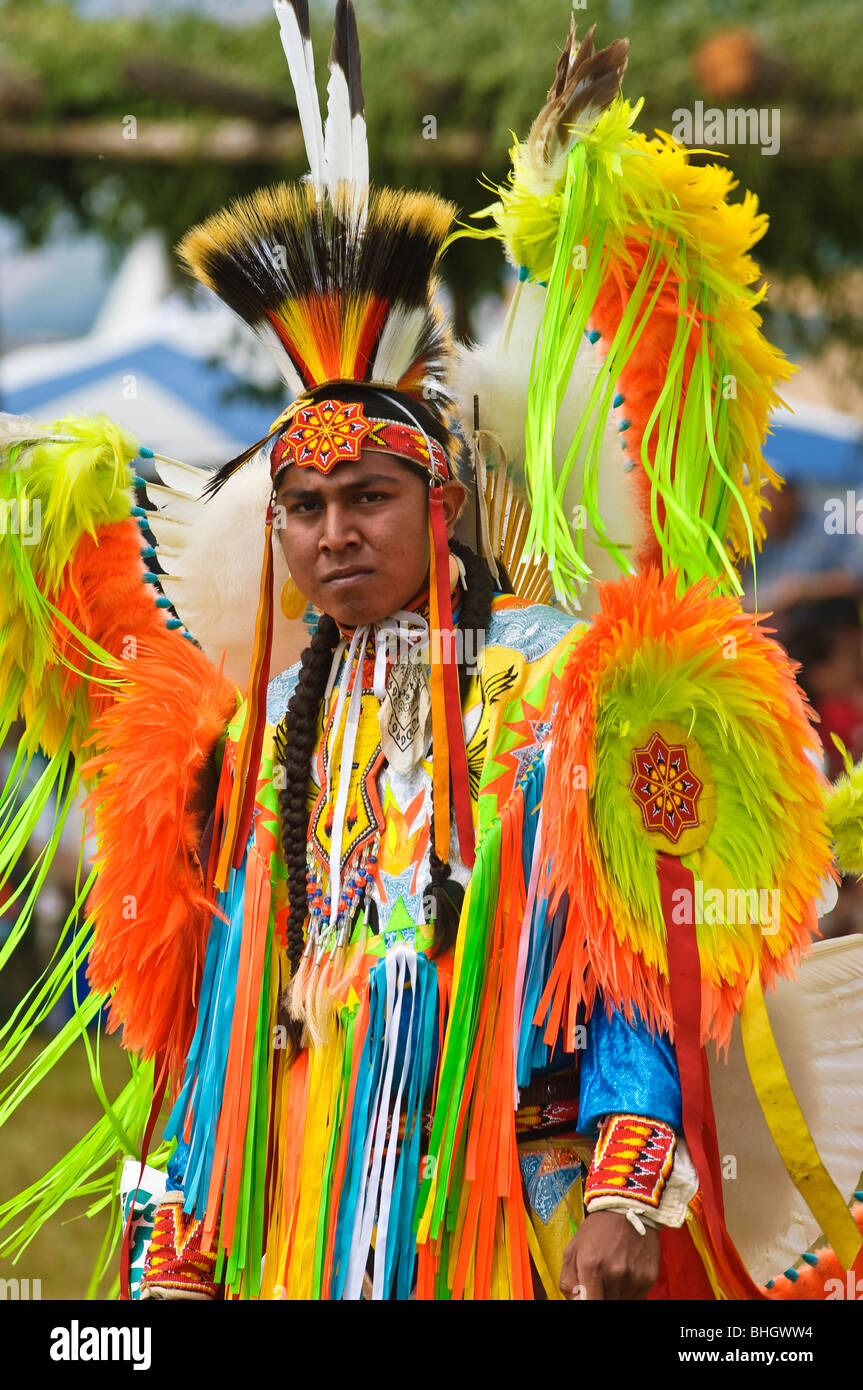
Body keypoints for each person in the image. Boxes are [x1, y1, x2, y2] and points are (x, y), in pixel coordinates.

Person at [1, 2, 862, 1302]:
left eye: (369, 497)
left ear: (439, 503)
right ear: (277, 526)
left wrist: (628, 1184)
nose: (336, 531)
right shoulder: (269, 714)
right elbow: (240, 995)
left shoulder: (560, 685)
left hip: (504, 1197)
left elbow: (625, 960)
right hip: (299, 1188)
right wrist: (177, 1232)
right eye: (307, 505)